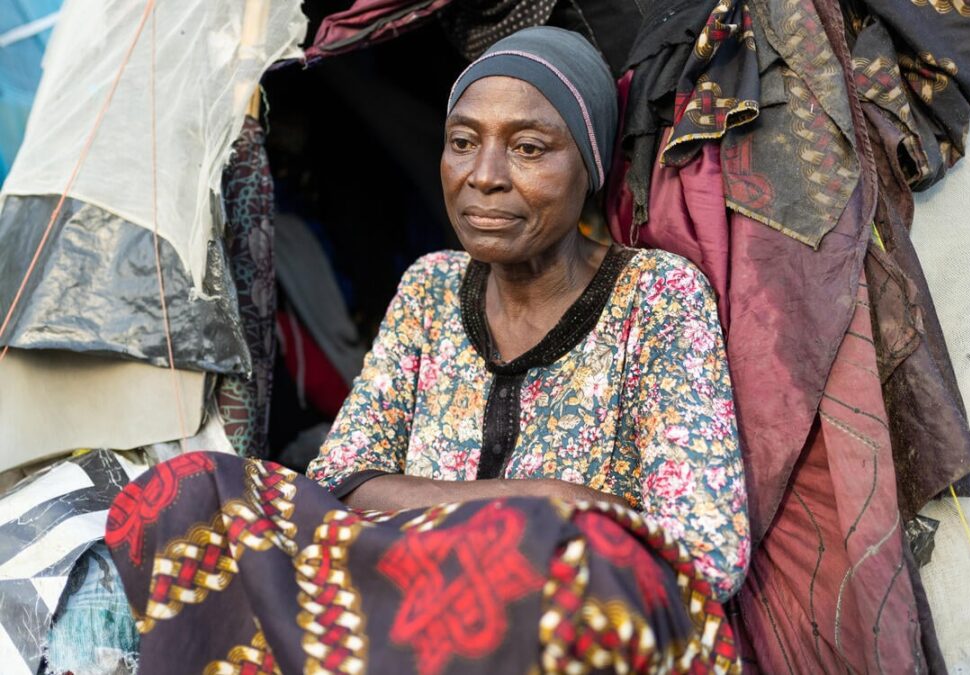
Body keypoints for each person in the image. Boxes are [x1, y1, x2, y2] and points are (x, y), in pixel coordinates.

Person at [105, 27, 749, 674]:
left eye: (528, 148)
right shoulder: (433, 286)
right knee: (190, 492)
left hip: (568, 618)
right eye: (463, 142)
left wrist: (547, 527)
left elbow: (705, 550)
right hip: (406, 604)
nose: (484, 176)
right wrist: (545, 496)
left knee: (561, 549)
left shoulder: (656, 296)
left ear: (591, 167)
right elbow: (339, 485)